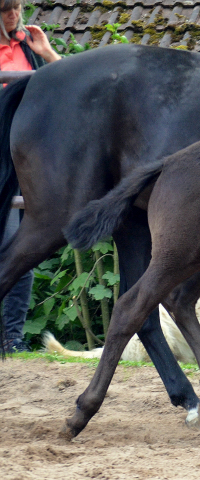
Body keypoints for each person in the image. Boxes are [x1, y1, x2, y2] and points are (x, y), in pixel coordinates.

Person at [1, 0, 60, 352]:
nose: (13, 15)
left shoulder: (28, 45)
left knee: (25, 248)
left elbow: (69, 89)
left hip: (24, 158)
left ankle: (12, 339)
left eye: (18, 7)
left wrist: (48, 54)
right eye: (5, 9)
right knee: (8, 245)